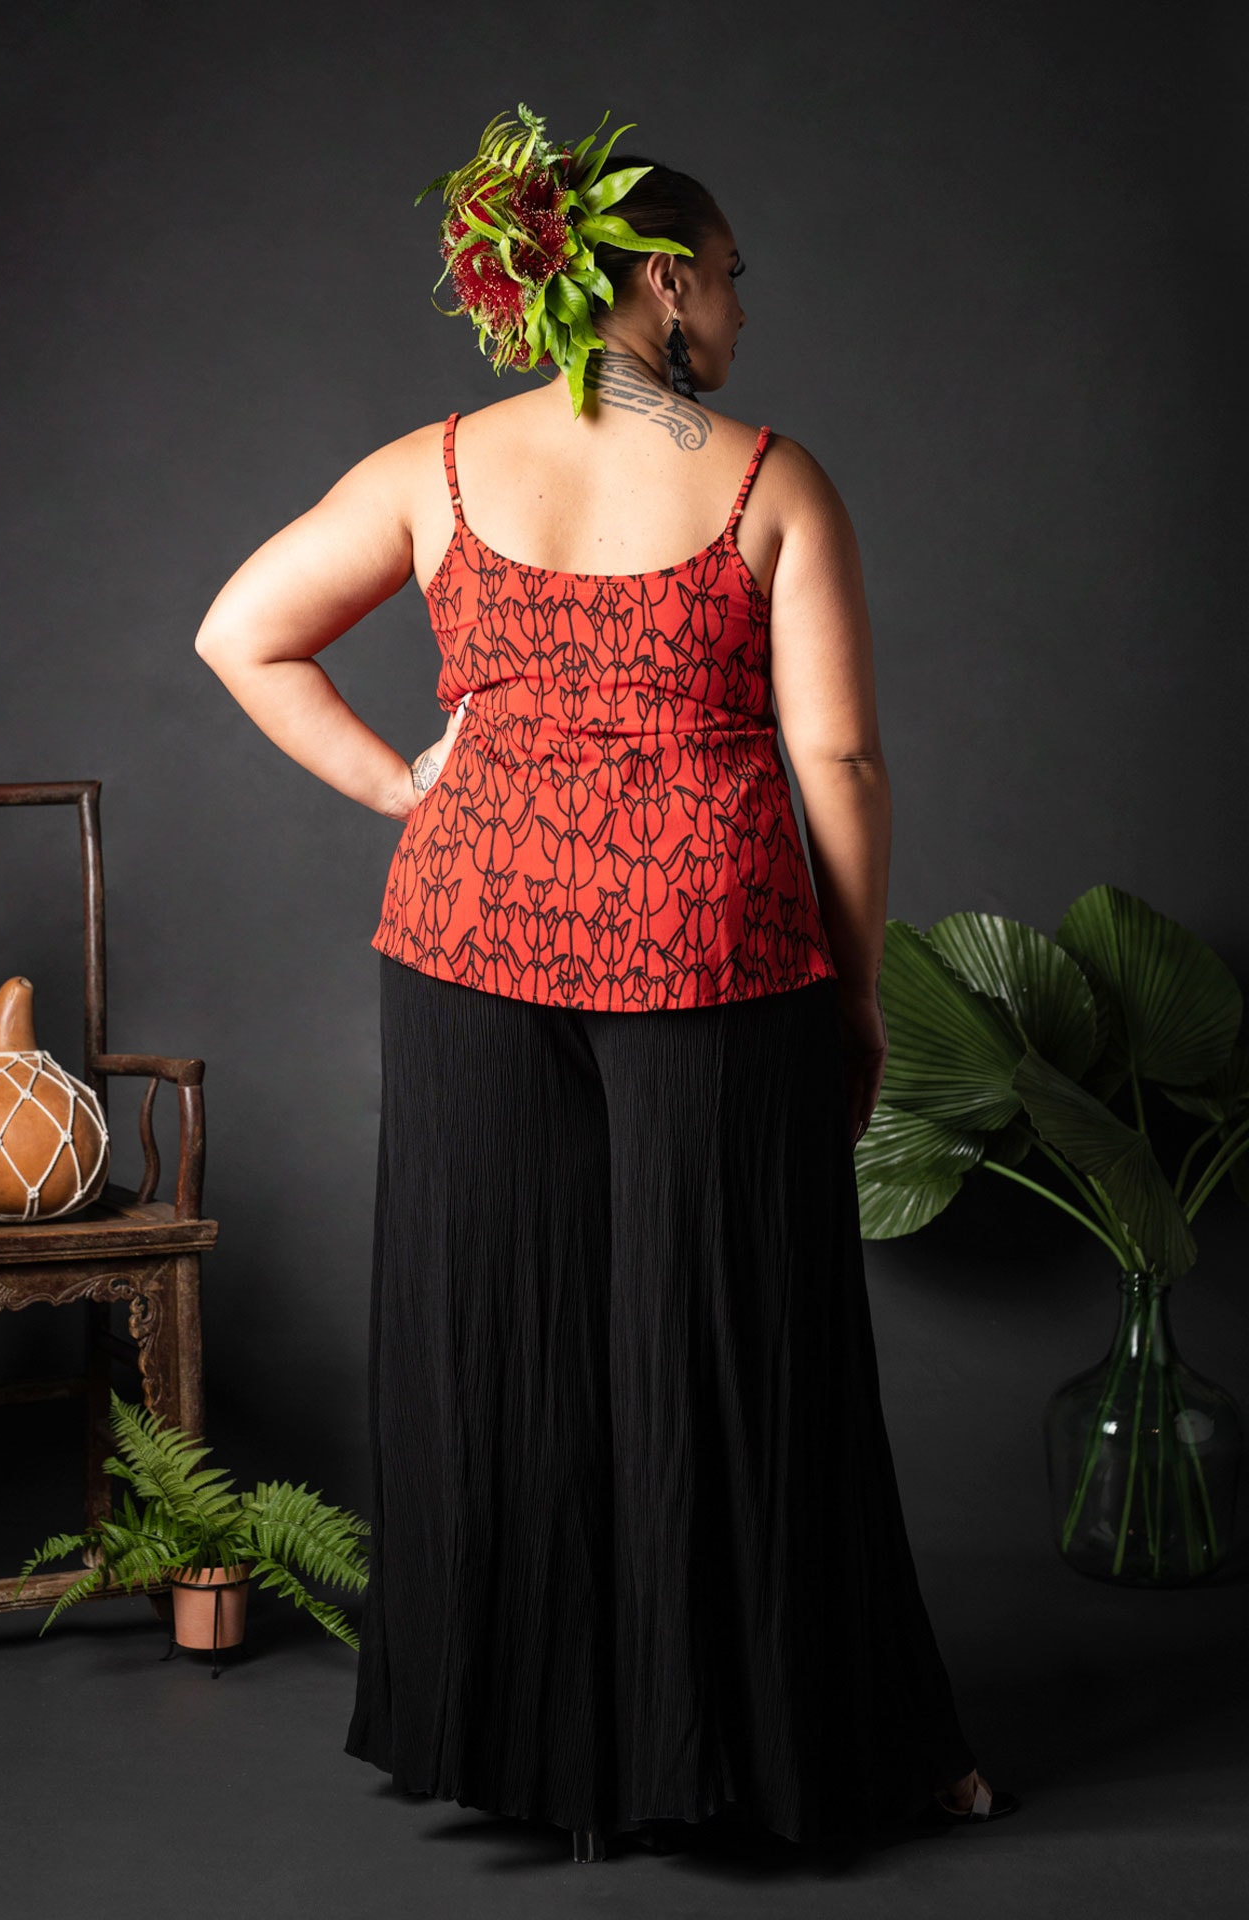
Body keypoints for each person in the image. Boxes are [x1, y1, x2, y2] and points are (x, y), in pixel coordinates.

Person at [193, 103, 1019, 1862]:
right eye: (726, 275)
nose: (739, 306)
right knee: (741, 1347)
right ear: (657, 281)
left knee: (504, 1338)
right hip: (714, 945)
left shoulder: (434, 468)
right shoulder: (768, 477)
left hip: (468, 941)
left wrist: (407, 787)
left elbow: (240, 632)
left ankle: (534, 1756)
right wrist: (856, 994)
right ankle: (782, 1753)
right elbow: (842, 762)